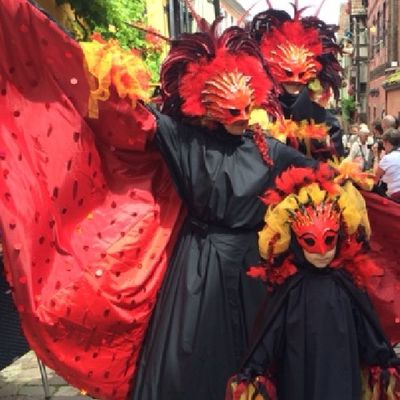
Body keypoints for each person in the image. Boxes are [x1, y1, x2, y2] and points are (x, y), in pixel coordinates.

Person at [0, 2, 315, 399]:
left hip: (251, 269)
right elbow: (130, 117)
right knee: (194, 363)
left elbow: (320, 178)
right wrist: (59, 48)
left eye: (245, 107)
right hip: (200, 270)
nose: (240, 116)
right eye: (230, 109)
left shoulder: (270, 149)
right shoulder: (185, 140)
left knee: (259, 357)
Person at [225, 166, 400, 399]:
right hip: (298, 373)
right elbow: (270, 332)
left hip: (341, 373)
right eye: (310, 242)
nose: (322, 252)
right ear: (294, 241)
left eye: (330, 241)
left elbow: (366, 327)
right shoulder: (289, 288)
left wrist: (383, 358)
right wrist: (255, 368)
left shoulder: (346, 284)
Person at [249, 8, 344, 160]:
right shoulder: (250, 118)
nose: (294, 79)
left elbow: (334, 174)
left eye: (301, 73)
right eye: (286, 72)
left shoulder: (328, 124)